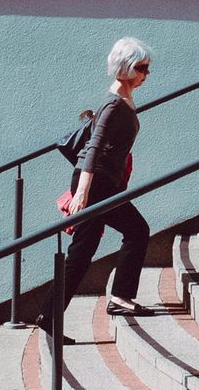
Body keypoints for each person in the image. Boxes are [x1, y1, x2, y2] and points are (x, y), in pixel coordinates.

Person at [47, 36, 152, 327]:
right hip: (96, 184)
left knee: (83, 252)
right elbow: (93, 147)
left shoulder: (124, 100)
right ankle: (117, 297)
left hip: (105, 183)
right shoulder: (113, 105)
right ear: (128, 68)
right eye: (143, 68)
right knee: (135, 231)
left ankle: (49, 315)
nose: (147, 75)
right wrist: (81, 194)